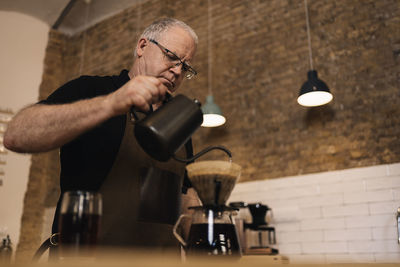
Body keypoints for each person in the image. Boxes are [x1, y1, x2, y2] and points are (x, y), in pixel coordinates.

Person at [4, 18, 200, 252]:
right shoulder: (91, 90)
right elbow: (16, 134)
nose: (177, 71)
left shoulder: (179, 122)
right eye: (171, 56)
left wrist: (208, 233)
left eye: (185, 67)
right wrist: (111, 103)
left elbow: (185, 196)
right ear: (142, 46)